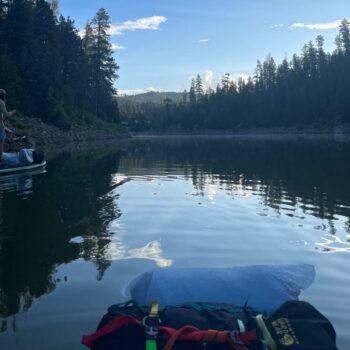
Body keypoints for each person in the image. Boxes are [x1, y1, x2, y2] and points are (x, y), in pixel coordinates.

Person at [0, 89, 16, 164]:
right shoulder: (1, 102)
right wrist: (12, 112)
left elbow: (2, 117)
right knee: (1, 144)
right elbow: (7, 114)